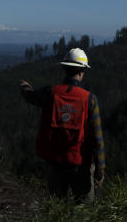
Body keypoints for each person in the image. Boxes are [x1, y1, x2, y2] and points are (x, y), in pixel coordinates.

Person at [19, 47, 105, 202]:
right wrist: (100, 170)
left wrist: (25, 86)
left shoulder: (50, 93)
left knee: (57, 209)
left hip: (55, 163)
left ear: (65, 69)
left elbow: (30, 96)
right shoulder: (90, 99)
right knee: (84, 212)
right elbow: (97, 139)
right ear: (82, 71)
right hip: (81, 165)